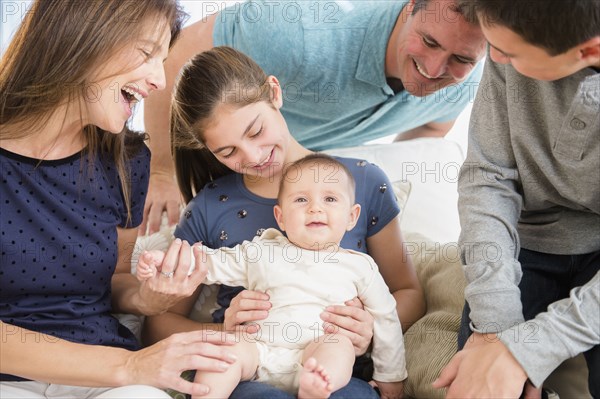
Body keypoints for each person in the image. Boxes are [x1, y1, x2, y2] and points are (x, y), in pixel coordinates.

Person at [142, 46, 424, 399]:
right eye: (227, 152)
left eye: (256, 130)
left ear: (274, 92)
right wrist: (223, 334)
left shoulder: (362, 183)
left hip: (338, 374)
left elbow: (409, 292)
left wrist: (370, 327)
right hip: (250, 371)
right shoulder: (210, 207)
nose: (254, 156)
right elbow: (158, 323)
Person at [0, 1, 239, 398]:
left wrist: (149, 296)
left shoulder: (127, 161)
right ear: (78, 36)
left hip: (104, 376)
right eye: (146, 53)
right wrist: (128, 366)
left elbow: (109, 282)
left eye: (162, 60)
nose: (160, 80)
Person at [140, 0, 488, 234]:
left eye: (462, 59)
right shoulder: (301, 34)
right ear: (410, 6)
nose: (433, 69)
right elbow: (176, 55)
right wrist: (161, 170)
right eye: (428, 41)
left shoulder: (465, 84)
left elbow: (431, 127)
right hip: (191, 163)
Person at [432, 0, 600, 397]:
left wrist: (526, 349)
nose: (494, 58)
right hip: (528, 240)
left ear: (589, 51)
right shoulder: (509, 38)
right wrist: (494, 327)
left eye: (509, 53)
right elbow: (487, 178)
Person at [138, 154, 406, 399]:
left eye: (330, 199)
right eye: (301, 200)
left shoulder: (360, 267)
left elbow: (386, 317)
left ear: (351, 217)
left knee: (339, 348)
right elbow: (209, 263)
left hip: (316, 351)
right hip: (258, 350)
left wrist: (390, 376)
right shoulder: (261, 251)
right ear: (280, 217)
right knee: (228, 349)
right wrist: (166, 262)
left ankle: (315, 388)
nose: (315, 208)